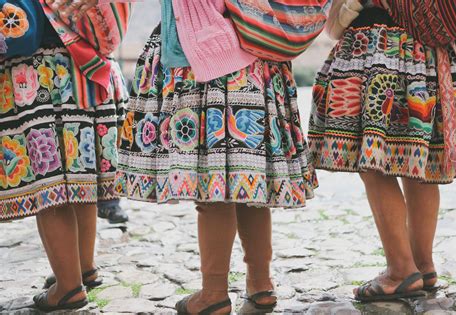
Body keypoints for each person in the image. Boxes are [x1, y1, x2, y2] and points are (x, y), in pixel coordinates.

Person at [116, 0, 318, 313]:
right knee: (249, 182)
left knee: (212, 185)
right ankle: (261, 284)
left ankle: (214, 293)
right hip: (259, 56)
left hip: (206, 58)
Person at [308, 0, 456, 302]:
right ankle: (422, 264)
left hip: (381, 43)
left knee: (372, 160)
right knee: (419, 158)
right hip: (436, 50)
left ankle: (400, 269)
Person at [0, 0, 131, 311]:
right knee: (81, 177)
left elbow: (21, 33)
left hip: (37, 73)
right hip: (87, 69)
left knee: (50, 186)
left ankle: (69, 287)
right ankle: (83, 268)